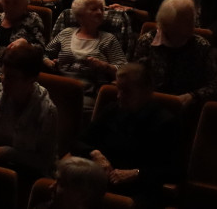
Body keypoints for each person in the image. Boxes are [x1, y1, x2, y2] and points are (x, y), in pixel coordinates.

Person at [73, 62, 179, 206]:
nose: (119, 96)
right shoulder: (112, 110)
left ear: (146, 91)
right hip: (102, 183)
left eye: (127, 91)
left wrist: (136, 173)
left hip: (138, 190)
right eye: (119, 89)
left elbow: (173, 171)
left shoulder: (165, 122)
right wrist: (95, 153)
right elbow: (78, 142)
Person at [0, 43, 58, 183]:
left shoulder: (46, 110)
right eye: (3, 74)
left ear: (31, 80)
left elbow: (45, 161)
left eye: (11, 77)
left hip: (26, 174)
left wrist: (7, 153)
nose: (3, 81)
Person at [131, 0, 217, 107]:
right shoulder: (147, 42)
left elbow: (215, 85)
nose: (194, 23)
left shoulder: (201, 45)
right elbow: (134, 78)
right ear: (168, 24)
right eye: (187, 20)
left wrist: (193, 96)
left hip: (188, 108)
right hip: (151, 104)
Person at [44, 0, 126, 104]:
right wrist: (48, 62)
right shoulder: (66, 33)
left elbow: (123, 70)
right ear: (80, 14)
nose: (99, 12)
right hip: (60, 87)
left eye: (102, 9)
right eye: (94, 9)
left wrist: (105, 66)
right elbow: (45, 54)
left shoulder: (108, 39)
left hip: (88, 94)